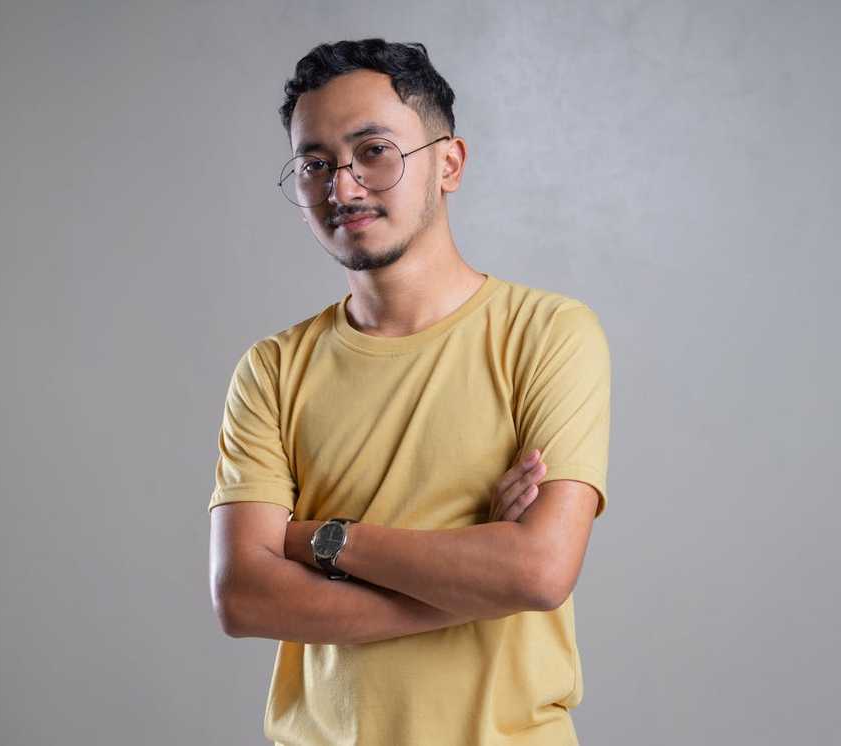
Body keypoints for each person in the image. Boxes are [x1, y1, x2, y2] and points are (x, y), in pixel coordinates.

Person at [208, 38, 611, 746]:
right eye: (315, 164)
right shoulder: (271, 370)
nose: (343, 186)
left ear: (448, 163)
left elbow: (540, 571)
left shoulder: (547, 334)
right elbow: (242, 594)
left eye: (373, 151)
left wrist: (318, 541)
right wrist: (469, 582)